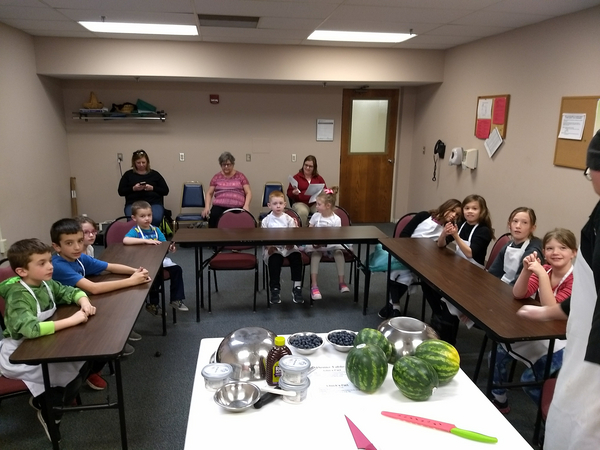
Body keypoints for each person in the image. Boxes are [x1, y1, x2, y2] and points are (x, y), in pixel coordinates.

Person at [0, 238, 95, 441]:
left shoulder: (45, 283)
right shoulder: (18, 295)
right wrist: (73, 320)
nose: (50, 266)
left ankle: (49, 402)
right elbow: (31, 329)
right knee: (64, 376)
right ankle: (51, 413)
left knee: (84, 362)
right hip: (20, 353)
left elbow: (68, 291)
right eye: (41, 263)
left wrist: (83, 301)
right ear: (21, 272)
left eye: (49, 261)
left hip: (46, 344)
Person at [544, 131, 600, 449]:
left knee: (582, 428)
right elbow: (588, 292)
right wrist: (556, 310)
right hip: (581, 345)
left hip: (593, 364)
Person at [490, 228, 576, 414]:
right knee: (496, 355)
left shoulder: (575, 279)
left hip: (563, 340)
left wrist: (542, 275)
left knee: (530, 381)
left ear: (573, 252)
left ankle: (551, 419)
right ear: (544, 252)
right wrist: (527, 271)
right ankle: (500, 399)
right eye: (550, 248)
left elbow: (551, 309)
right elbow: (519, 293)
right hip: (537, 329)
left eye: (563, 248)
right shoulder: (545, 269)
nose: (556, 252)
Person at [50, 218, 151, 362]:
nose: (77, 247)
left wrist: (135, 271)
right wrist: (132, 280)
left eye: (79, 241)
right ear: (57, 246)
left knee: (112, 301)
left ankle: (117, 338)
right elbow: (94, 288)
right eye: (69, 243)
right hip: (61, 311)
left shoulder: (78, 258)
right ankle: (94, 363)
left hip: (77, 300)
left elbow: (109, 266)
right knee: (105, 307)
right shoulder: (58, 265)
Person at [379, 198, 462, 320]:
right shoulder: (424, 216)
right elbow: (404, 235)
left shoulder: (450, 230)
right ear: (446, 206)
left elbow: (440, 248)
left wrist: (444, 234)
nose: (454, 215)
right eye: (453, 210)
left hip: (425, 260)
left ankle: (393, 305)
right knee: (397, 270)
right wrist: (410, 251)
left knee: (406, 274)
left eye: (457, 215)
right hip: (405, 251)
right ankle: (395, 305)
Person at [429, 194, 494, 344]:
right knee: (432, 283)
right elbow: (441, 245)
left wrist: (456, 236)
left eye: (474, 208)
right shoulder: (463, 224)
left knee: (449, 301)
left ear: (482, 211)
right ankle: (439, 323)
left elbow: (470, 253)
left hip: (474, 275)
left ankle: (447, 338)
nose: (470, 211)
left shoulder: (484, 231)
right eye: (467, 208)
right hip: (459, 269)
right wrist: (444, 234)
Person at [123, 200, 189, 314]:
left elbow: (164, 244)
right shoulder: (135, 231)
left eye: (149, 215)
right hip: (145, 262)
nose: (147, 219)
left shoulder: (156, 230)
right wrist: (145, 241)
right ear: (134, 218)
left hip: (160, 260)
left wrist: (170, 248)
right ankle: (153, 304)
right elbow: (126, 240)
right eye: (142, 216)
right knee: (155, 275)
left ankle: (176, 299)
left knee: (177, 270)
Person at [304, 187, 349, 301]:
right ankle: (314, 286)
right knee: (315, 255)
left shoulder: (336, 219)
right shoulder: (315, 217)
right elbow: (309, 232)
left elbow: (336, 237)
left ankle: (341, 282)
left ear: (328, 206)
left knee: (339, 253)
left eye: (319, 204)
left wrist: (326, 243)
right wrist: (315, 242)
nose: (316, 206)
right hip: (317, 245)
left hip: (331, 245)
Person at [261, 191, 304, 304]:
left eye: (280, 203)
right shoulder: (266, 221)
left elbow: (294, 234)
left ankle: (297, 287)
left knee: (296, 257)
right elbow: (263, 237)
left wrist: (291, 242)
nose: (278, 206)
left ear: (285, 204)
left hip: (288, 246)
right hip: (273, 247)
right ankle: (275, 289)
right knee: (275, 260)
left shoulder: (289, 219)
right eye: (275, 203)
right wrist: (269, 246)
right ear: (269, 205)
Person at [487, 207, 543, 285]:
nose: (518, 226)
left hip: (518, 291)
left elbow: (522, 283)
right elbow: (493, 272)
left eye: (524, 222)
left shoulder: (532, 251)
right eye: (515, 221)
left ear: (532, 228)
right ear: (509, 225)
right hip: (502, 285)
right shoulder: (508, 245)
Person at [118, 149, 170, 226]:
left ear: (147, 162)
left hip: (153, 203)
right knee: (133, 221)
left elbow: (165, 191)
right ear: (134, 163)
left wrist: (152, 188)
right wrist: (133, 189)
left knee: (155, 219)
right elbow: (121, 191)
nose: (141, 165)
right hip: (133, 204)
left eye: (143, 162)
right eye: (138, 163)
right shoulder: (128, 175)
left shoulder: (155, 174)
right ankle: (136, 237)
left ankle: (152, 236)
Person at [202, 152, 252, 228]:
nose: (226, 167)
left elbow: (248, 192)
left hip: (237, 207)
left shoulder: (240, 176)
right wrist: (206, 207)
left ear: (233, 164)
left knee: (240, 221)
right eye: (223, 165)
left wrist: (246, 205)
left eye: (228, 165)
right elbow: (209, 193)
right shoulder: (216, 177)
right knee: (214, 216)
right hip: (219, 206)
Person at [287, 155, 327, 227]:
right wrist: (293, 192)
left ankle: (318, 232)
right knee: (302, 212)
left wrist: (323, 192)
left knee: (322, 210)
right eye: (306, 165)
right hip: (300, 203)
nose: (307, 168)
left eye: (310, 166)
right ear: (303, 165)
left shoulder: (318, 178)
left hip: (315, 203)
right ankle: (302, 233)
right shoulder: (296, 177)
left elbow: (325, 190)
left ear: (314, 168)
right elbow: (289, 193)